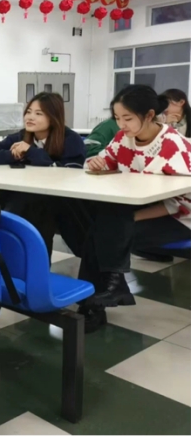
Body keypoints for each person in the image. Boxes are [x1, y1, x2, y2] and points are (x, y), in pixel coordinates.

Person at [78, 85, 191, 331]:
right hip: (136, 209)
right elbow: (106, 160)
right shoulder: (123, 138)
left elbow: (181, 203)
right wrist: (96, 162)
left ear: (149, 115)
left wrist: (132, 217)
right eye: (117, 118)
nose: (121, 125)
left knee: (103, 232)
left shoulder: (172, 145)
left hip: (180, 218)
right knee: (101, 229)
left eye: (127, 118)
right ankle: (105, 293)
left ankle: (92, 305)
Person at [0, 92, 86, 259]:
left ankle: (33, 264)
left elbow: (69, 170)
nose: (30, 117)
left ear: (53, 117)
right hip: (22, 195)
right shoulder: (21, 136)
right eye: (28, 112)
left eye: (38, 113)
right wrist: (12, 155)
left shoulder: (70, 139)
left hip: (60, 200)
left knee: (37, 209)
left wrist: (30, 151)